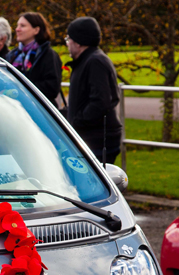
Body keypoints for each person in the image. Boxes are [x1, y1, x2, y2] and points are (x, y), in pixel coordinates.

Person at [64, 16, 122, 164]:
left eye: (68, 38)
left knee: (93, 185)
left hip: (97, 140)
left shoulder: (95, 62)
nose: (67, 43)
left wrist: (76, 121)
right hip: (92, 138)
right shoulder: (87, 61)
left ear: (78, 42)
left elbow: (101, 102)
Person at [5, 12, 62, 104]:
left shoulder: (48, 55)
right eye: (17, 25)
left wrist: (20, 89)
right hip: (13, 108)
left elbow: (52, 88)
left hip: (37, 110)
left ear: (36, 30)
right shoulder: (13, 55)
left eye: (22, 26)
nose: (17, 29)